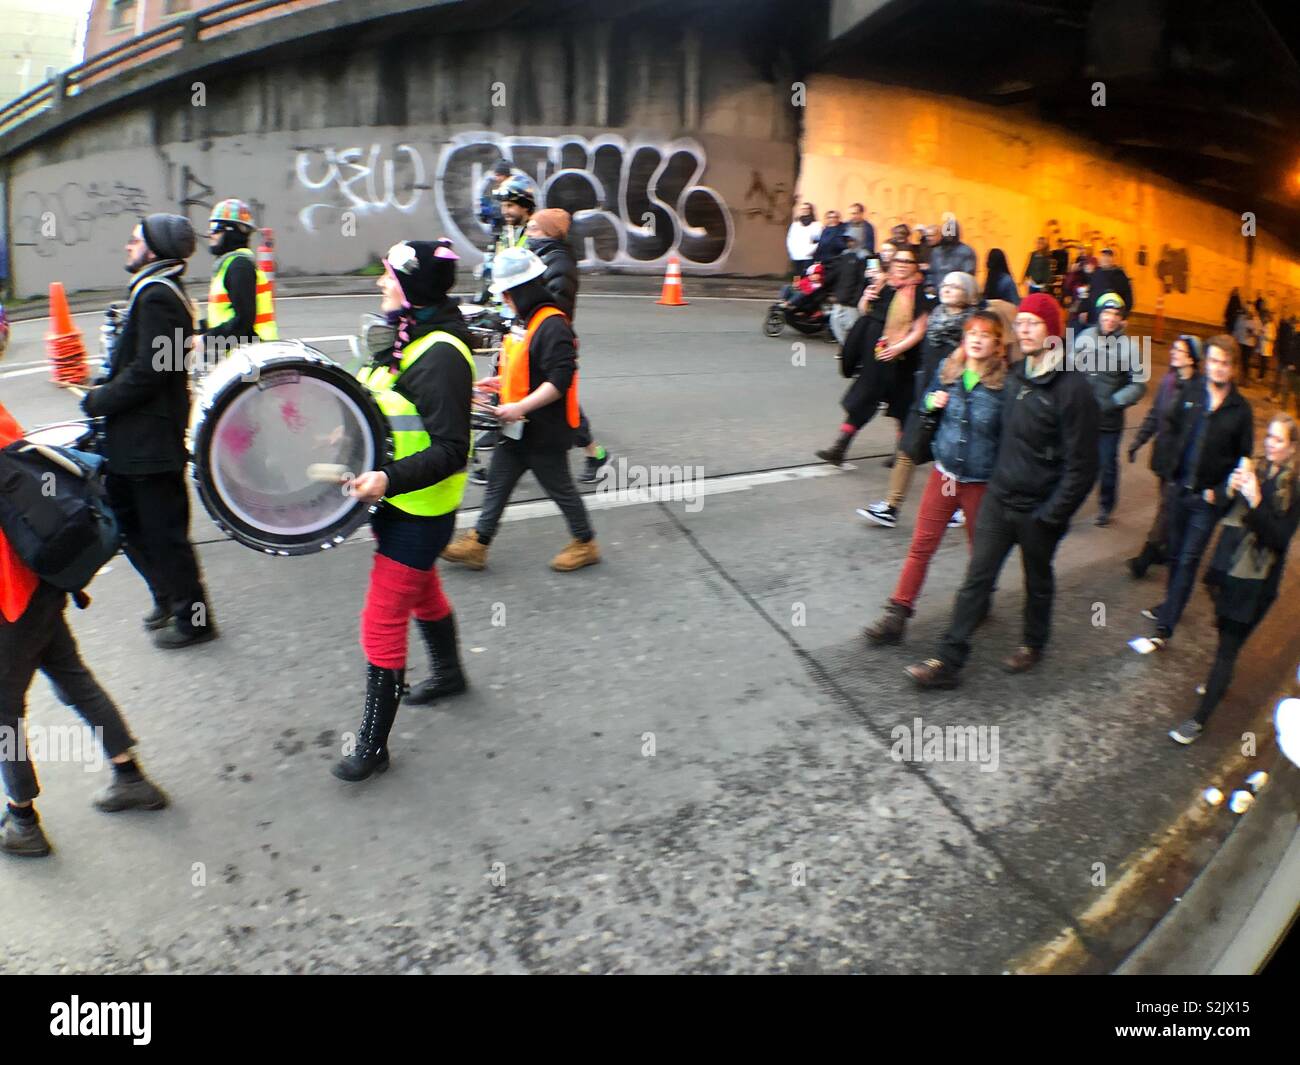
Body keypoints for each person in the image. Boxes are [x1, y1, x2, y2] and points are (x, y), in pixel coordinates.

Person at [333, 239, 476, 781]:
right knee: (424, 593)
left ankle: (372, 746)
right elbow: (382, 409)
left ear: (411, 287)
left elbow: (450, 448)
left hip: (420, 511)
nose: (379, 283)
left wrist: (386, 478)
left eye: (388, 275)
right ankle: (450, 673)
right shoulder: (405, 337)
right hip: (398, 504)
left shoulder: (439, 354)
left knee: (381, 620)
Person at [0, 398, 168, 857]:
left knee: (4, 714)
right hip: (43, 578)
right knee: (72, 677)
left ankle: (22, 820)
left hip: (10, 600)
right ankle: (130, 776)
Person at [906, 294, 1099, 688]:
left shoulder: (1072, 389)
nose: (1025, 330)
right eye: (1021, 322)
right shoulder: (1013, 376)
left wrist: (1051, 516)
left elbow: (1083, 466)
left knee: (1037, 579)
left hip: (1039, 509)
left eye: (1034, 323)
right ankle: (949, 660)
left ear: (1053, 332)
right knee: (976, 579)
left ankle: (1033, 642)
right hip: (999, 498)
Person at [80, 215, 216, 650]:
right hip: (134, 442)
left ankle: (195, 620)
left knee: (164, 534)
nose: (127, 247)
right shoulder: (155, 291)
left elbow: (152, 372)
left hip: (149, 444)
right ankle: (167, 596)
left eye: (135, 241)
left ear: (154, 250)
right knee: (128, 524)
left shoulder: (160, 296)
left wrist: (99, 399)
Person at [441, 248, 600, 572]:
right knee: (498, 485)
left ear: (524, 289)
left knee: (561, 490)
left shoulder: (552, 325)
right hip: (517, 427)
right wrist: (497, 383)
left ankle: (585, 543)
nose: (505, 300)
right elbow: (526, 369)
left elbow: (559, 380)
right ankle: (479, 543)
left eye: (508, 294)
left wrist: (520, 407)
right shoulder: (524, 320)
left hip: (544, 431)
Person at [864, 311, 1009, 644]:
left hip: (980, 482)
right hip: (944, 476)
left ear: (997, 344)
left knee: (980, 551)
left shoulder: (1005, 385)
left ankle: (981, 597)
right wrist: (933, 400)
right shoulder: (949, 369)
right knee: (921, 546)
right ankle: (897, 614)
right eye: (971, 332)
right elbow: (923, 404)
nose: (976, 339)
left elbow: (1009, 436)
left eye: (985, 335)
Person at [1170, 414, 1299, 743]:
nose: (1270, 443)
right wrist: (1228, 488)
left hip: (1256, 582)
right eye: (1269, 436)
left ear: (1292, 448)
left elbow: (1278, 538)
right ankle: (1219, 680)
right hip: (1227, 567)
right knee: (1227, 638)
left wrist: (1256, 499)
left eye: (1279, 440)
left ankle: (1199, 720)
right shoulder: (1254, 468)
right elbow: (1223, 507)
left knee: (1228, 648)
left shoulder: (1294, 489)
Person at [1137, 336, 1253, 650]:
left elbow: (1244, 459)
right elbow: (1170, 426)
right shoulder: (1193, 392)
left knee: (1188, 559)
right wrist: (1169, 471)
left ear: (1233, 369)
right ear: (1207, 363)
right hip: (1179, 491)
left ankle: (1165, 627)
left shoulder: (1240, 411)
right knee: (1175, 555)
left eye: (1225, 363)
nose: (1218, 368)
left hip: (1207, 500)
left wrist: (1221, 492)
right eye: (1214, 361)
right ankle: (1170, 603)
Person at [860, 270, 979, 527]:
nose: (947, 289)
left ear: (969, 294)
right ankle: (891, 507)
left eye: (955, 286)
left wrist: (958, 392)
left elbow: (978, 365)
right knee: (908, 448)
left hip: (955, 397)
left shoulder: (975, 326)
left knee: (949, 456)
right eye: (945, 284)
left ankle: (957, 506)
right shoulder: (935, 317)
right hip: (925, 392)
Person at [815, 246, 933, 467]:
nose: (901, 264)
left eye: (907, 261)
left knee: (901, 405)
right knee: (864, 397)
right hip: (876, 353)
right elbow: (865, 311)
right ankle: (840, 447)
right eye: (898, 259)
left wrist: (898, 348)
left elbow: (919, 329)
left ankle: (901, 453)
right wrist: (865, 298)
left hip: (901, 358)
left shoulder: (918, 292)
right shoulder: (883, 282)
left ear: (915, 266)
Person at [525, 208, 613, 484]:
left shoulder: (558, 262)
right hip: (533, 336)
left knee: (564, 405)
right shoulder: (542, 256)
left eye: (534, 228)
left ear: (550, 232)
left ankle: (595, 454)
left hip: (551, 341)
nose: (528, 233)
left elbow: (555, 306)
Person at [1126, 335, 1202, 577]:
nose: (1173, 352)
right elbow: (1154, 415)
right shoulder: (1168, 381)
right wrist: (1138, 442)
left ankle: (1146, 557)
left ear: (1191, 358)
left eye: (1179, 350)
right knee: (1167, 505)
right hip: (1163, 458)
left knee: (1167, 508)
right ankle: (1168, 549)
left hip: (1182, 463)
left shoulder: (1199, 390)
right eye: (1174, 348)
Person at [1074, 292, 1146, 526]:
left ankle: (1106, 505)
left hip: (1108, 421)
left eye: (1116, 314)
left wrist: (1115, 401)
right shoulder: (1084, 337)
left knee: (1106, 465)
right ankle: (1068, 503)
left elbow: (1138, 384)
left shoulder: (1130, 348)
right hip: (1081, 417)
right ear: (1099, 314)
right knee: (1074, 462)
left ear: (1121, 319)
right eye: (1106, 313)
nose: (1110, 318)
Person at [197, 198, 277, 362]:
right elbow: (226, 313)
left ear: (231, 232)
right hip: (248, 354)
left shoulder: (239, 266)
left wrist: (206, 341)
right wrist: (201, 328)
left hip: (256, 355)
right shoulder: (230, 264)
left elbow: (243, 321)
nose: (209, 234)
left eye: (215, 228)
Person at [827, 234, 870, 345]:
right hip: (841, 297)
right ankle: (847, 349)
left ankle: (851, 351)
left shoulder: (867, 257)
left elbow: (866, 280)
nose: (850, 243)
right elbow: (836, 275)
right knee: (835, 322)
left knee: (852, 327)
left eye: (852, 240)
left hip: (854, 300)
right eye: (848, 240)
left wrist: (858, 298)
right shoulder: (844, 256)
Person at [1088, 248, 1133, 324]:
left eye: (1108, 256)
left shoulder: (1120, 275)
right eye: (1103, 256)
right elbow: (1089, 293)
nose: (1105, 259)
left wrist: (1124, 316)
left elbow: (1128, 297)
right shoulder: (1095, 273)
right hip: (1094, 317)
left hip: (1113, 319)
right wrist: (1084, 310)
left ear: (1112, 259)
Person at [925, 215, 977, 279]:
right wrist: (929, 285)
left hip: (957, 287)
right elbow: (931, 272)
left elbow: (968, 275)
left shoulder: (966, 251)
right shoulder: (936, 251)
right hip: (938, 287)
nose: (948, 235)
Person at [785, 202, 822, 278]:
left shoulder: (816, 225)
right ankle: (796, 288)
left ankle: (805, 289)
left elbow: (817, 241)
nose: (804, 210)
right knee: (796, 276)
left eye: (807, 208)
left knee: (806, 276)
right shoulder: (795, 225)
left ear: (810, 210)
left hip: (809, 257)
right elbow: (790, 239)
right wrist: (792, 252)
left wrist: (810, 251)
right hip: (796, 255)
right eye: (802, 209)